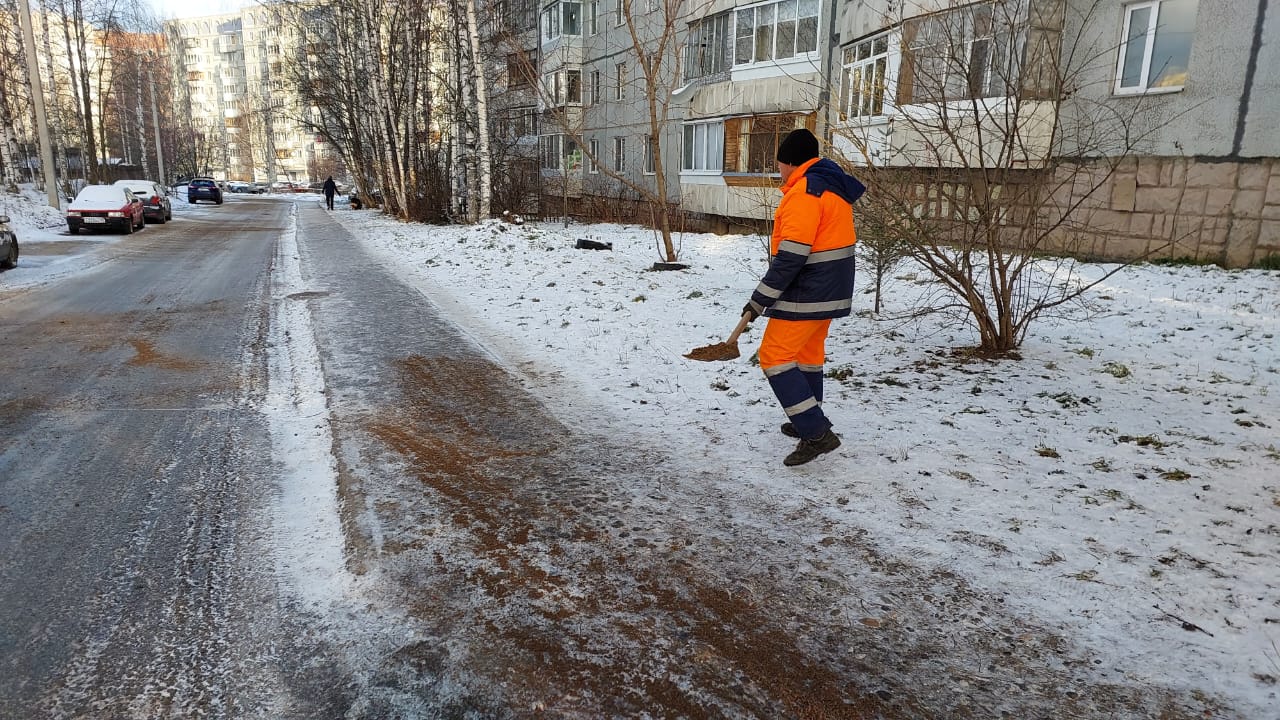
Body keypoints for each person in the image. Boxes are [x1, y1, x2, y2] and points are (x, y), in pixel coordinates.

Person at [741, 128, 865, 467]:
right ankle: (808, 419)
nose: (778, 170)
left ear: (791, 162)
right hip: (830, 290)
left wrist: (760, 299)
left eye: (780, 163)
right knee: (807, 355)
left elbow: (792, 256)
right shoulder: (829, 186)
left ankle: (816, 433)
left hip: (808, 290)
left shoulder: (805, 193)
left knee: (774, 356)